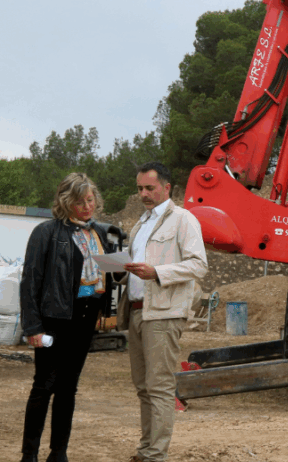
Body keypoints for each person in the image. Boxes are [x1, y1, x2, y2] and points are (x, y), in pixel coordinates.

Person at [20, 173, 113, 462]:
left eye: (90, 199)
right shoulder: (45, 232)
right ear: (65, 202)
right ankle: (29, 455)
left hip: (84, 321)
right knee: (43, 385)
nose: (87, 206)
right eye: (79, 201)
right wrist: (33, 326)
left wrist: (119, 271)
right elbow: (30, 281)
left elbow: (108, 273)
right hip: (52, 322)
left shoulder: (100, 233)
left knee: (68, 388)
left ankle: (58, 452)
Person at [118, 162, 207, 462]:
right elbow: (135, 268)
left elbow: (199, 265)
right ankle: (146, 450)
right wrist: (118, 270)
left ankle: (156, 455)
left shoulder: (184, 220)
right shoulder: (139, 225)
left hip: (164, 314)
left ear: (167, 188)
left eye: (150, 188)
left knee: (159, 387)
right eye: (140, 188)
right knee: (143, 387)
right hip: (136, 312)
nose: (143, 193)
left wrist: (157, 272)